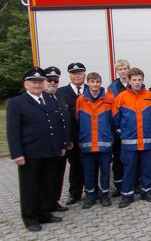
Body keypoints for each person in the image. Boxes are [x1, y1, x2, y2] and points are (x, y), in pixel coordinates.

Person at [7, 68, 68, 232]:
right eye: (34, 82)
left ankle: (44, 213)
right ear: (26, 83)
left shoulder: (49, 99)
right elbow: (13, 130)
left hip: (51, 151)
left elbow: (57, 125)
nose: (37, 84)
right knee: (29, 187)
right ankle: (30, 218)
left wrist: (61, 145)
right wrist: (17, 153)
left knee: (47, 185)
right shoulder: (17, 103)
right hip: (30, 153)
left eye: (40, 81)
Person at [112, 68, 151, 208]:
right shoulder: (122, 96)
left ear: (143, 80)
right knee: (129, 169)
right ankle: (127, 195)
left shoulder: (149, 95)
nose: (137, 83)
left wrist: (149, 130)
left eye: (139, 80)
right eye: (134, 80)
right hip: (129, 142)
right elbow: (115, 118)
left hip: (147, 140)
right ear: (129, 80)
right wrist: (123, 132)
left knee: (147, 168)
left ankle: (147, 191)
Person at [75, 72, 115, 208]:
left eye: (97, 82)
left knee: (105, 171)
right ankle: (90, 195)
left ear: (101, 82)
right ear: (88, 83)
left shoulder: (109, 98)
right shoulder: (81, 100)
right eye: (92, 82)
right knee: (89, 171)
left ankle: (104, 195)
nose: (95, 84)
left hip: (104, 143)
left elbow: (113, 120)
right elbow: (77, 120)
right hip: (87, 143)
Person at [57, 62, 87, 206]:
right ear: (69, 75)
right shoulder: (61, 92)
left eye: (80, 73)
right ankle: (75, 193)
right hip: (73, 137)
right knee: (75, 165)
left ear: (84, 74)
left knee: (91, 164)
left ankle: (91, 190)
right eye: (74, 73)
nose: (77, 75)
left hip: (89, 135)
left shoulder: (92, 89)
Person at [43, 66, 70, 212]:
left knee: (58, 175)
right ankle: (46, 205)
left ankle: (54, 201)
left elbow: (65, 121)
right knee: (48, 177)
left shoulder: (59, 96)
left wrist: (68, 140)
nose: (53, 83)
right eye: (49, 80)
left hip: (61, 145)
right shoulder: (42, 98)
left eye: (55, 80)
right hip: (48, 146)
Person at [107, 59, 129, 196]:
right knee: (118, 159)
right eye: (120, 69)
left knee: (132, 158)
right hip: (118, 129)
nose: (123, 71)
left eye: (125, 68)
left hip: (132, 130)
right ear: (117, 71)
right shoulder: (112, 88)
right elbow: (111, 110)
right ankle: (119, 185)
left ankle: (134, 183)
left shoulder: (135, 85)